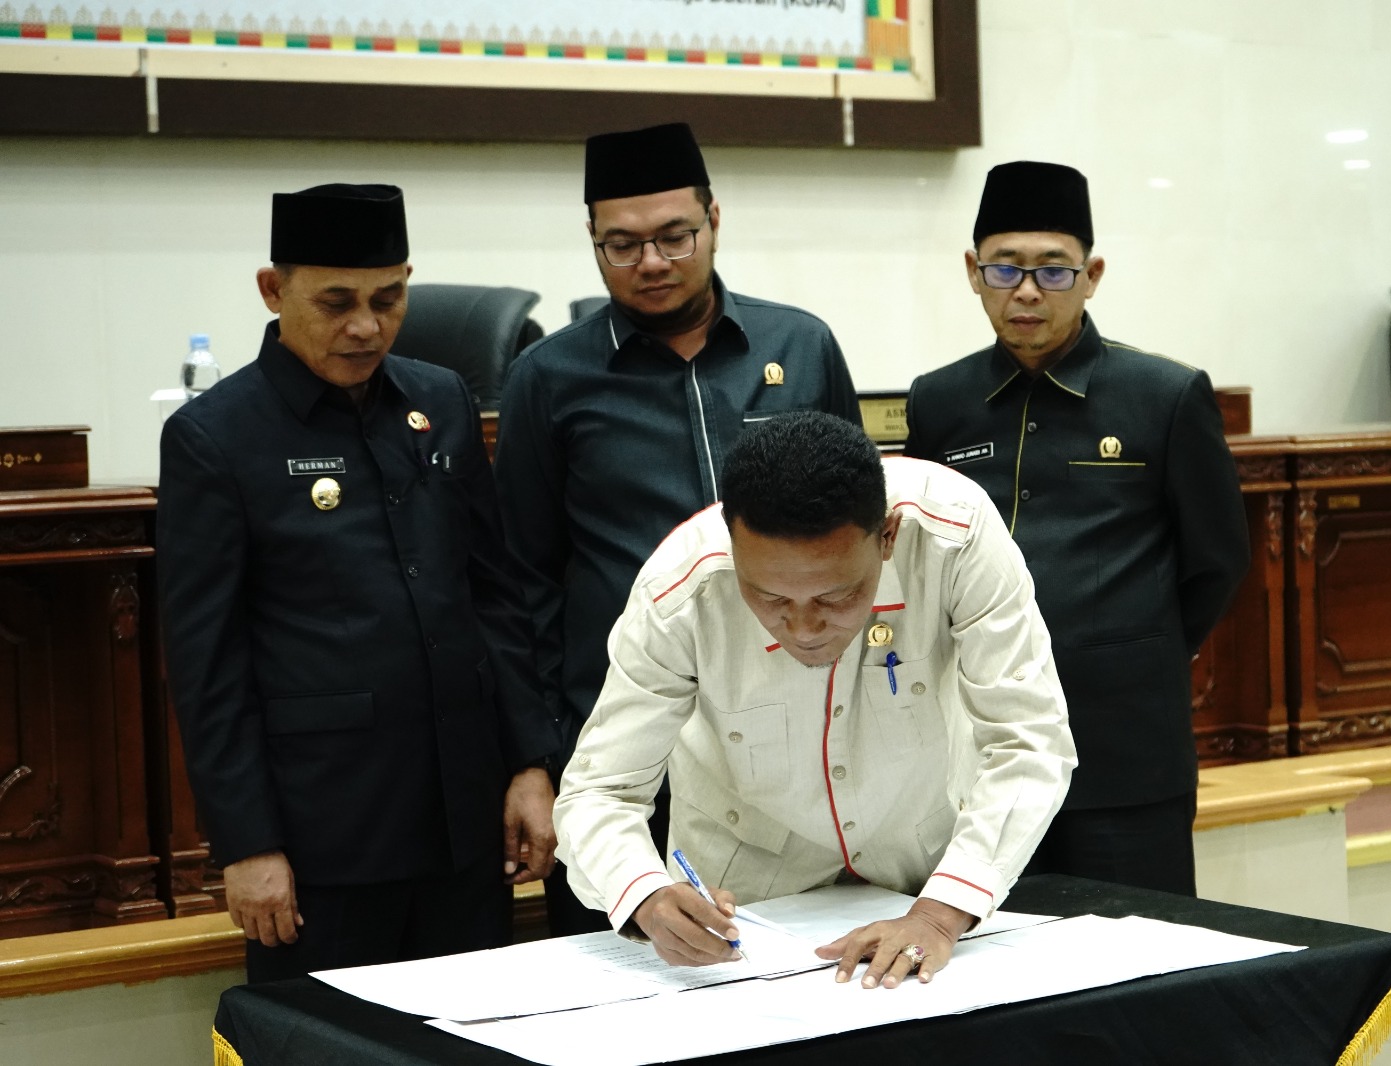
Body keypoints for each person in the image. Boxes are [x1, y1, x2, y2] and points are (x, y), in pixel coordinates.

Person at [157, 183, 562, 983]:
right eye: (336, 302)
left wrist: (528, 762)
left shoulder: (440, 399)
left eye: (388, 299)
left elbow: (493, 594)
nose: (366, 326)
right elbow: (207, 662)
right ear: (273, 290)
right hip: (324, 838)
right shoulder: (215, 436)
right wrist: (247, 842)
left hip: (463, 821)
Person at [552, 411, 1075, 989]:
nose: (803, 629)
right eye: (769, 597)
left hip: (923, 887)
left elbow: (1029, 739)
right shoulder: (679, 593)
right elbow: (599, 792)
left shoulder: (955, 537)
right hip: (748, 919)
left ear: (887, 538)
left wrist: (939, 914)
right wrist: (643, 894)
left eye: (836, 596)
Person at [494, 122, 861, 934]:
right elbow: (521, 584)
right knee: (626, 967)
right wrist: (537, 759)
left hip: (793, 736)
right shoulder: (548, 379)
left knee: (799, 967)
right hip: (625, 744)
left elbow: (858, 539)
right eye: (621, 246)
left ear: (713, 220)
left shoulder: (800, 345)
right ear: (592, 241)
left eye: (673, 236)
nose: (652, 262)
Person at [903, 161, 1250, 896]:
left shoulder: (1165, 395)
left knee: (1141, 944)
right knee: (996, 947)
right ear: (973, 273)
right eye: (1005, 268)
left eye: (1053, 271)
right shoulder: (939, 402)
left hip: (1125, 745)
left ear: (1091, 276)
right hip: (983, 748)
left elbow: (1217, 561)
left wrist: (1139, 650)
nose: (1027, 291)